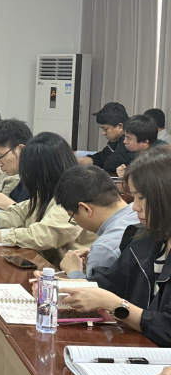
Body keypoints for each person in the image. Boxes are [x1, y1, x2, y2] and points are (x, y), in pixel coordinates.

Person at [63, 146, 171, 347]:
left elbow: (166, 328)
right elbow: (109, 282)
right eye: (134, 197)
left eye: (141, 198)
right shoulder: (145, 238)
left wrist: (113, 303)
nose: (135, 207)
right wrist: (57, 286)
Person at [0, 132, 96, 266]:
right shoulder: (49, 188)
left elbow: (42, 236)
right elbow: (20, 213)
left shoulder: (73, 193)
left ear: (43, 168)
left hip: (70, 272)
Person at [54, 165, 140, 280]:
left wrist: (74, 271)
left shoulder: (104, 249)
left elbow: (92, 291)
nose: (75, 221)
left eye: (72, 216)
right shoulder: (140, 214)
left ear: (86, 209)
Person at [77, 102, 135, 173]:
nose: (103, 133)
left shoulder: (131, 140)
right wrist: (85, 160)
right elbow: (104, 156)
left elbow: (111, 164)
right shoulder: (117, 139)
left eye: (105, 129)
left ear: (120, 126)